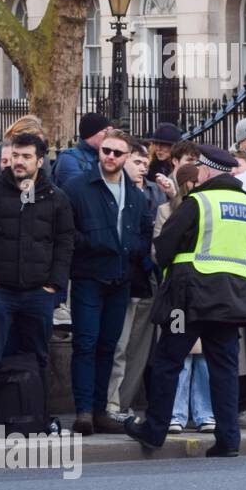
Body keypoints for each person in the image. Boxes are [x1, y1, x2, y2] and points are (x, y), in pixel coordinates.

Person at [123, 146, 246, 457]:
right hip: (231, 300)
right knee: (224, 369)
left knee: (168, 361)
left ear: (208, 171)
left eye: (200, 167)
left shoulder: (198, 202)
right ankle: (229, 440)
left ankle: (154, 431)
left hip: (186, 299)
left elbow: (164, 246)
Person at [0, 131, 74, 433]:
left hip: (38, 294)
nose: (18, 162)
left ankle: (39, 419)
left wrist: (53, 286)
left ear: (40, 161)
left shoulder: (56, 198)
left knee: (39, 357)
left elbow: (64, 243)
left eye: (26, 156)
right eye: (15, 155)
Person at [63, 129, 152, 435]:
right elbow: (65, 231)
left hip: (120, 278)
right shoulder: (77, 187)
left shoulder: (136, 195)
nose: (110, 157)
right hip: (88, 276)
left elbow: (144, 232)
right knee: (85, 344)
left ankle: (101, 410)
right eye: (106, 151)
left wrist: (133, 249)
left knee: (109, 346)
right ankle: (84, 411)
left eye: (117, 153)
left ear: (126, 157)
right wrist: (93, 242)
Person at [153, 165, 215, 434]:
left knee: (202, 357)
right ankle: (175, 413)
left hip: (202, 293)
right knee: (180, 355)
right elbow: (157, 252)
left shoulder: (207, 209)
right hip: (177, 296)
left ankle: (204, 413)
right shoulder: (166, 211)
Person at [104, 140, 164, 420]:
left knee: (139, 352)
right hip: (120, 279)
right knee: (119, 346)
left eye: (145, 164)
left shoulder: (152, 194)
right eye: (137, 162)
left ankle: (123, 404)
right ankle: (111, 404)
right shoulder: (113, 193)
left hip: (145, 279)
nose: (143, 168)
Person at [53, 112, 109, 188]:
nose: (109, 136)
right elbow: (78, 191)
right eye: (106, 131)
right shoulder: (68, 158)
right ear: (92, 132)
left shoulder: (106, 156)